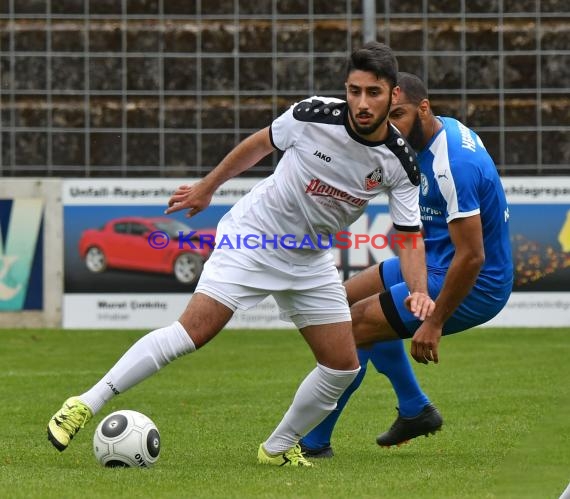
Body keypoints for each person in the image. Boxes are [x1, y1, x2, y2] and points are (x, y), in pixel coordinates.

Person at [47, 44, 435, 467]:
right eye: (354, 91)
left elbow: (410, 236)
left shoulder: (400, 162)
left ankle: (277, 449)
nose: (361, 103)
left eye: (373, 93)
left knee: (342, 366)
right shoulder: (312, 116)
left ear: (394, 94)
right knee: (193, 332)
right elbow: (260, 144)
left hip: (308, 258)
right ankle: (84, 402)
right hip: (254, 237)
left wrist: (418, 290)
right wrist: (207, 186)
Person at [299, 71, 513, 457]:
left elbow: (472, 256)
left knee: (357, 325)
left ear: (424, 108)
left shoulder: (454, 165)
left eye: (397, 115)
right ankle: (415, 408)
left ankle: (314, 442)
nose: (389, 126)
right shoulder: (425, 139)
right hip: (434, 260)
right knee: (338, 303)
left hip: (474, 281)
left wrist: (434, 321)